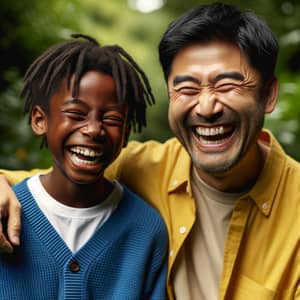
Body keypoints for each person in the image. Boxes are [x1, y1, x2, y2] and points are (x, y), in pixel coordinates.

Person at [1, 2, 300, 299]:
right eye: (187, 89)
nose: (207, 107)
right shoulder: (139, 167)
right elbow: (42, 186)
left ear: (268, 94)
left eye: (227, 86)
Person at [0, 34, 168, 299]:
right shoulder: (3, 215)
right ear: (39, 120)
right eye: (76, 114)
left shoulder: (146, 231)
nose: (93, 129)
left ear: (125, 135)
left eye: (112, 118)